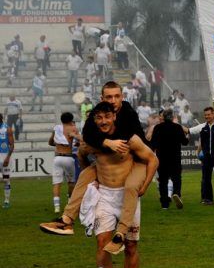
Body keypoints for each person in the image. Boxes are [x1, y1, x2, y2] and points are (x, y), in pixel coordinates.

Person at [39, 82, 148, 255]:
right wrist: (106, 146)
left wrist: (146, 183)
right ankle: (66, 221)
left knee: (131, 186)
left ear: (122, 97)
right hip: (108, 162)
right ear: (101, 99)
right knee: (85, 175)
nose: (113, 100)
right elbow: (88, 136)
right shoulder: (98, 114)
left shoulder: (128, 113)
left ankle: (121, 233)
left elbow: (139, 146)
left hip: (135, 160)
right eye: (108, 97)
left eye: (116, 96)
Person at [78, 101, 158, 268]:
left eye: (107, 116)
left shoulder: (129, 138)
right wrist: (93, 178)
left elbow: (152, 159)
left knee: (130, 245)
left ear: (114, 116)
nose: (104, 121)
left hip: (128, 198)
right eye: (99, 118)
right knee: (102, 243)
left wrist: (144, 186)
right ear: (94, 120)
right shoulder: (91, 139)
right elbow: (81, 154)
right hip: (104, 196)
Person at [151, 109, 188, 209]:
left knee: (163, 181)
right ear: (172, 117)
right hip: (175, 158)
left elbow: (152, 144)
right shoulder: (177, 127)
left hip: (161, 159)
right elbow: (185, 142)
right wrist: (187, 135)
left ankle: (164, 204)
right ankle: (176, 194)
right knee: (176, 179)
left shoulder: (157, 128)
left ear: (163, 116)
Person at [48, 113, 78, 213]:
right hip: (69, 158)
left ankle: (57, 207)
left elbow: (50, 142)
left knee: (57, 183)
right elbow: (79, 141)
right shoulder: (73, 129)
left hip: (57, 157)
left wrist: (57, 145)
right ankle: (69, 203)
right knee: (71, 182)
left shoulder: (56, 128)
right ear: (71, 120)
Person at [0, 113, 15, 208]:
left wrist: (8, 157)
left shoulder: (7, 128)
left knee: (6, 180)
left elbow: (12, 144)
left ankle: (6, 201)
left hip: (4, 157)